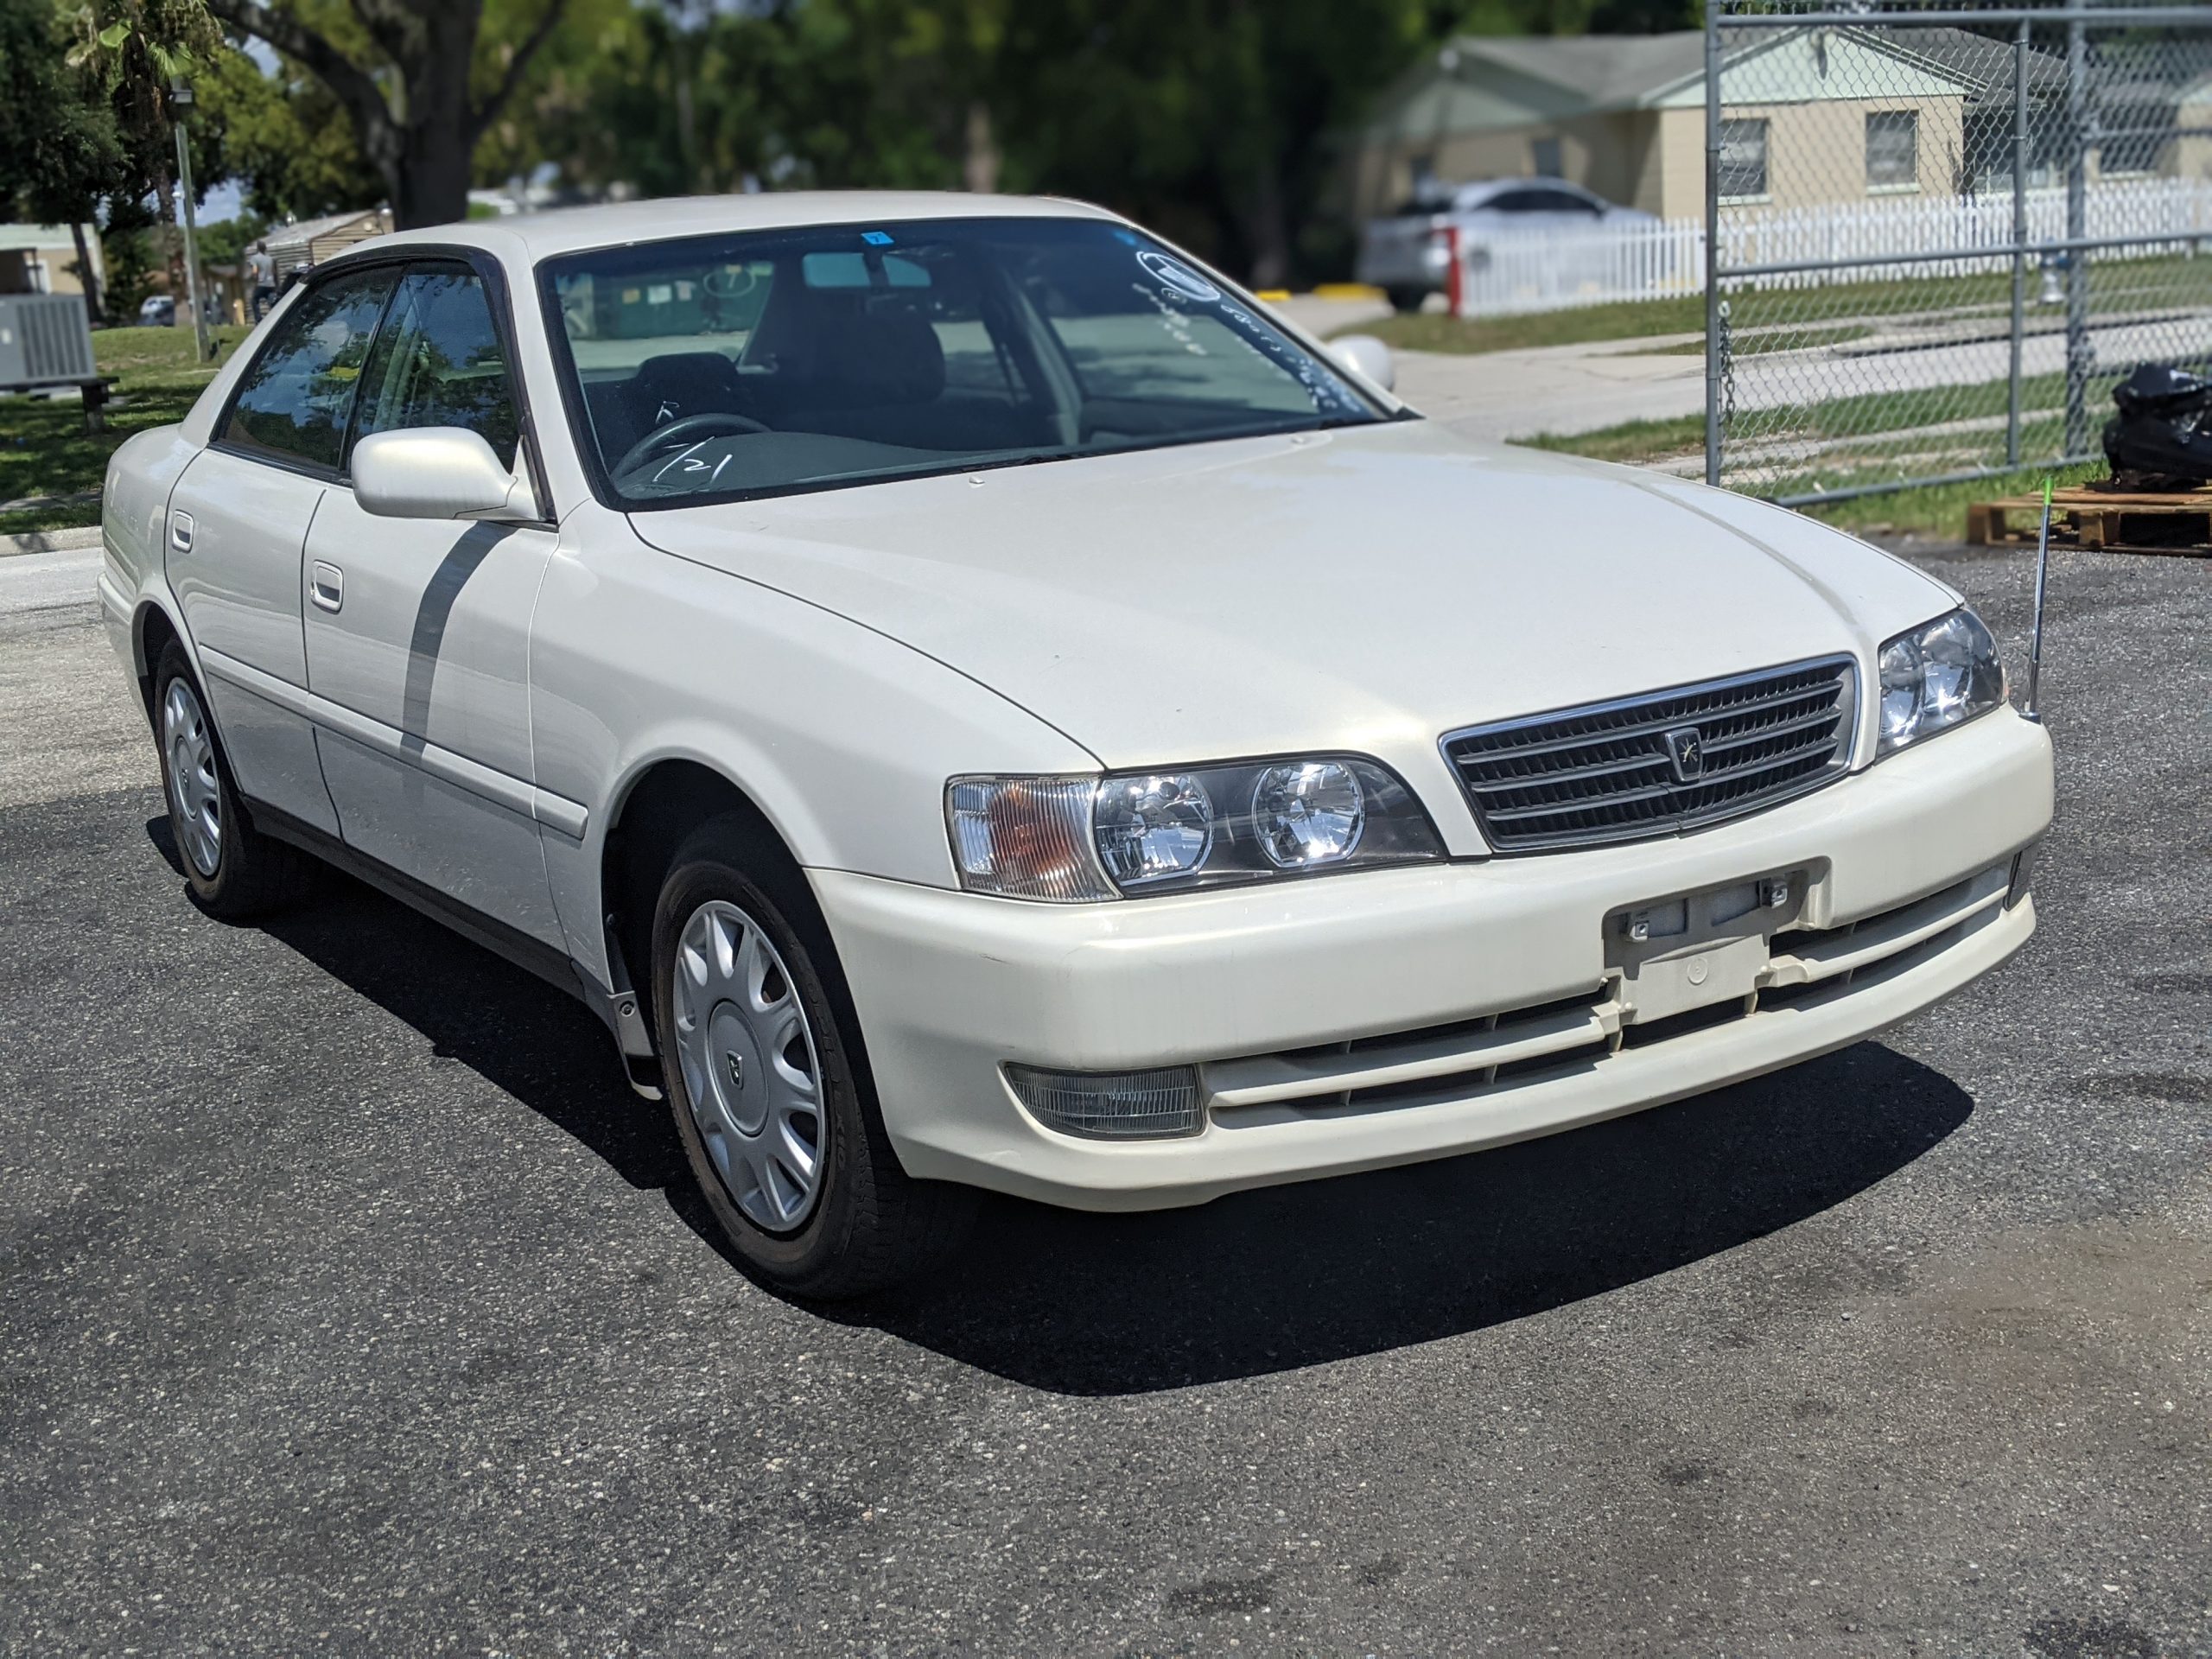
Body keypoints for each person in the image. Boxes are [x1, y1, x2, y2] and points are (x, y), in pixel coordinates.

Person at [246, 241, 276, 321]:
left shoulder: (255, 258)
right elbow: (273, 272)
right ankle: (275, 317)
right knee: (272, 302)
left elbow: (255, 271)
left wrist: (254, 279)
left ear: (258, 248)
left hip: (261, 283)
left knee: (254, 300)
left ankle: (258, 319)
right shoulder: (270, 258)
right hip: (271, 284)